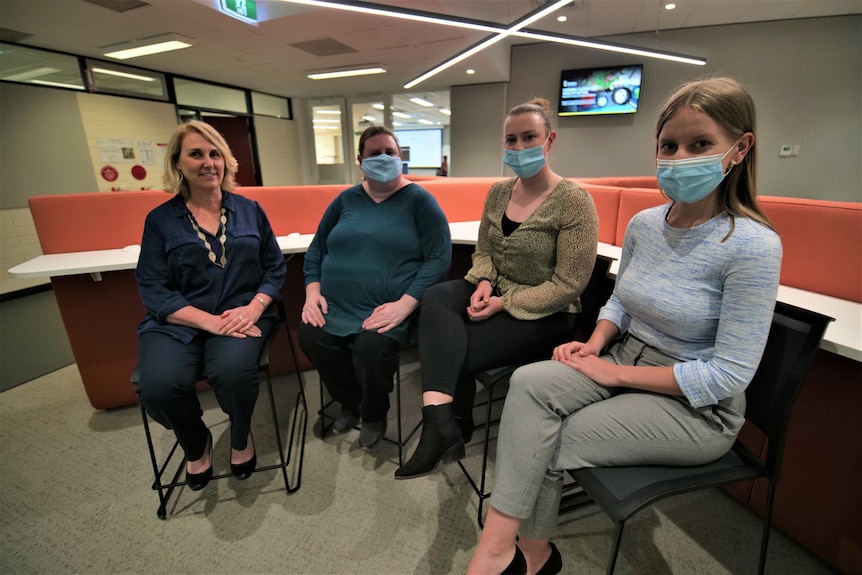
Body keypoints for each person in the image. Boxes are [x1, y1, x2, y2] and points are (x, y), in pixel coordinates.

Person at [466, 76, 784, 575]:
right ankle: (509, 549)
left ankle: (520, 557)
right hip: (621, 357)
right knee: (528, 384)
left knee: (549, 439)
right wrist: (593, 345)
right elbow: (620, 301)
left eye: (700, 144)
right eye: (669, 145)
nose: (680, 157)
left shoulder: (752, 246)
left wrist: (614, 375)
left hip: (696, 407)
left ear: (740, 149)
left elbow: (728, 376)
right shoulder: (645, 224)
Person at [394, 98, 599, 480]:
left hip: (548, 312)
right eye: (511, 140)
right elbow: (484, 251)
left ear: (549, 140)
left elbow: (569, 284)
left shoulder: (575, 202)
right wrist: (485, 282)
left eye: (529, 137)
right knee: (437, 297)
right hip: (496, 289)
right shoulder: (499, 192)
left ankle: (452, 423)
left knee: (457, 348)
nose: (519, 148)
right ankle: (440, 421)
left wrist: (503, 304)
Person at [135, 120, 286, 491]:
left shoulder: (250, 210)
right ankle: (195, 442)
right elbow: (152, 286)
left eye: (215, 153)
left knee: (234, 372)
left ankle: (240, 436)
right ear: (178, 163)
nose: (208, 162)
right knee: (158, 386)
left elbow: (274, 268)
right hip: (179, 321)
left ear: (226, 161)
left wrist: (254, 308)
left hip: (240, 314)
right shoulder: (160, 221)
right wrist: (207, 322)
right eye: (196, 154)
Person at [299, 125, 451, 450]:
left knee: (371, 349)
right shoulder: (345, 200)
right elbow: (317, 249)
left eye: (390, 152)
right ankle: (350, 403)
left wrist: (406, 304)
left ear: (400, 157)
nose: (383, 158)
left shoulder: (419, 200)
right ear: (360, 160)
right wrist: (312, 292)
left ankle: (372, 414)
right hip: (335, 305)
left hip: (389, 308)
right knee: (312, 337)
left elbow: (439, 257)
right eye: (374, 153)